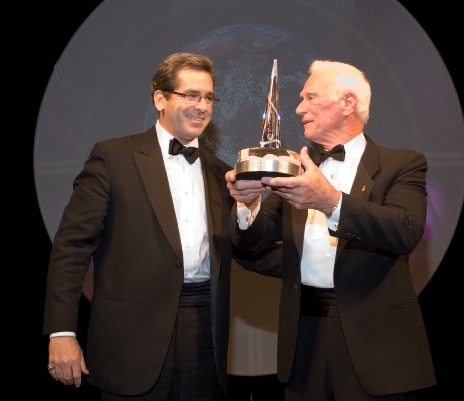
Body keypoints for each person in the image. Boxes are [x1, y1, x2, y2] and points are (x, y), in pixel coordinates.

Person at [225, 60, 437, 401]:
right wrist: (247, 205)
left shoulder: (402, 164)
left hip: (375, 343)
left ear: (348, 104)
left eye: (310, 97)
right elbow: (252, 247)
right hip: (303, 340)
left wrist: (331, 201)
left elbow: (406, 230)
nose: (298, 108)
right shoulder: (300, 168)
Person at [43, 52, 235, 400]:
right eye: (191, 95)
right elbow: (70, 248)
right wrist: (61, 332)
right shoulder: (113, 158)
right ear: (160, 98)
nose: (202, 106)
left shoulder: (222, 173)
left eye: (208, 97)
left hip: (204, 332)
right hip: (130, 341)